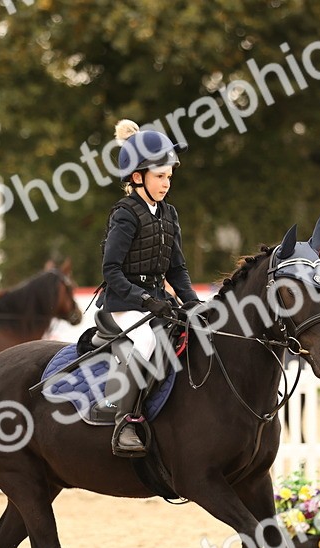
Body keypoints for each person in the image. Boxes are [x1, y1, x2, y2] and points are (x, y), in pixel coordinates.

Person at [99, 119, 201, 457]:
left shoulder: (169, 214)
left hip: (156, 302)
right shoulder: (125, 215)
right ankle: (125, 421)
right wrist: (142, 299)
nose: (166, 184)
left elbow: (178, 269)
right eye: (160, 177)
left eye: (169, 177)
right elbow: (111, 270)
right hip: (122, 304)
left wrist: (195, 305)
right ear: (137, 177)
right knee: (146, 340)